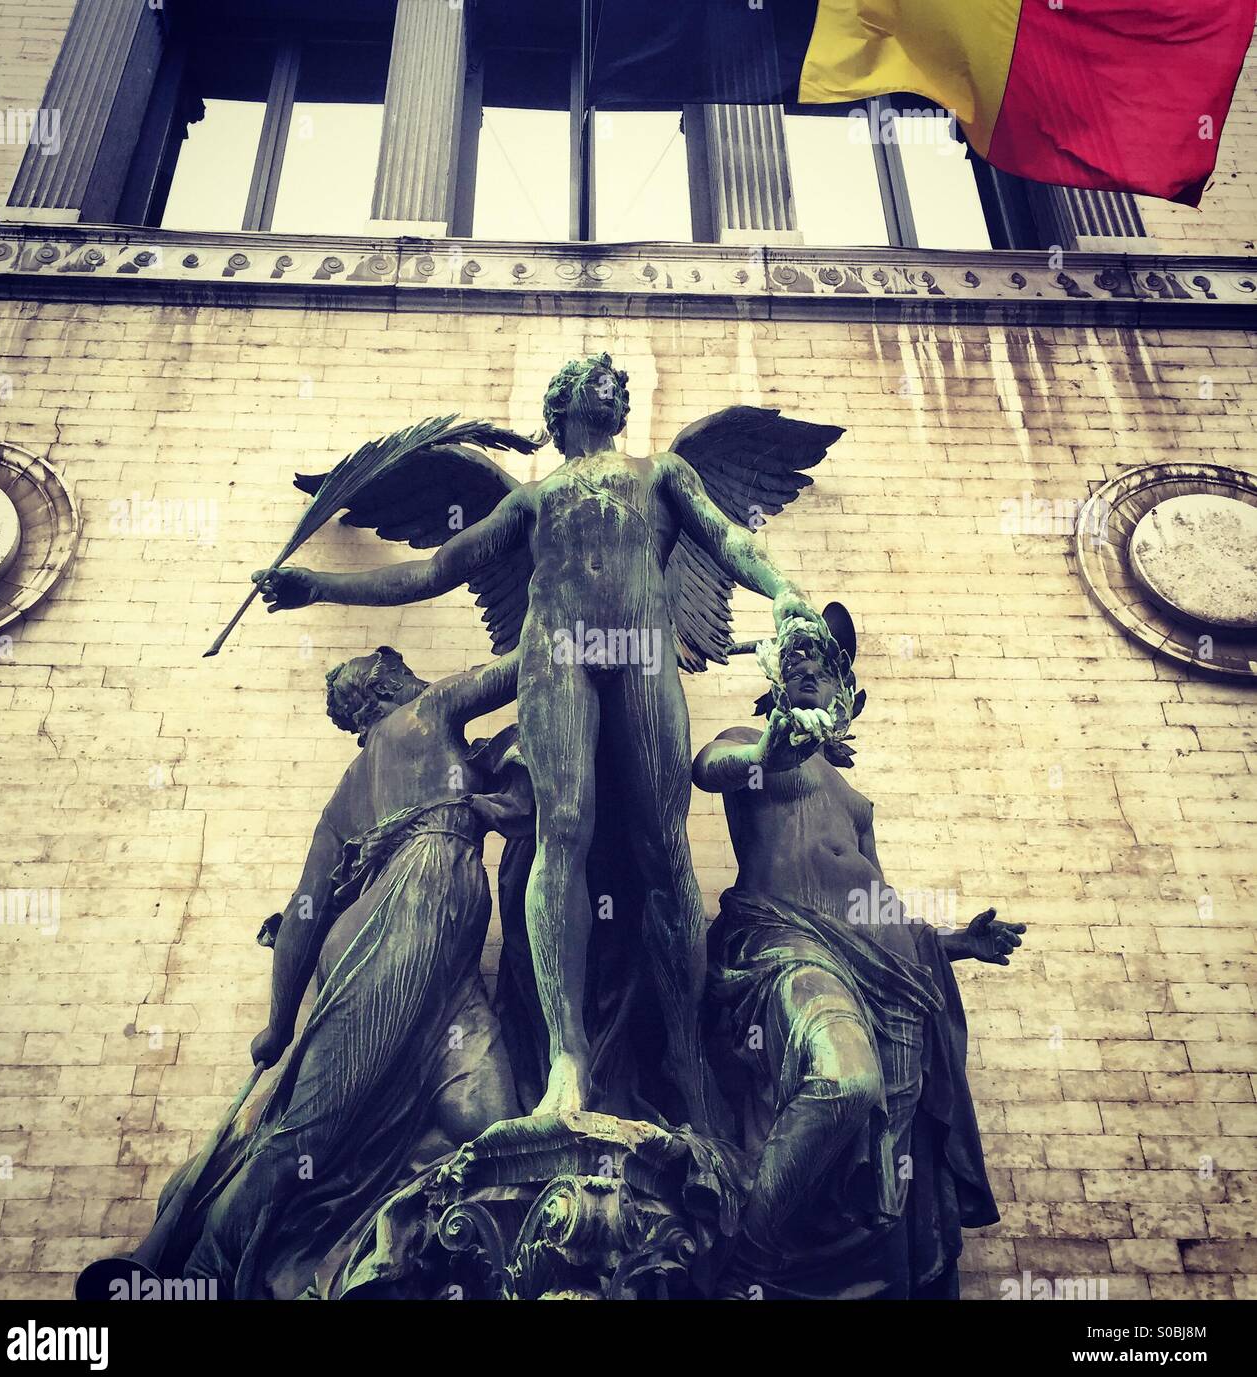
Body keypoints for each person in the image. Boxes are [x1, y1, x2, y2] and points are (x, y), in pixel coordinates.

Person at [250, 354, 823, 1132]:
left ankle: (686, 1055)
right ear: (560, 414)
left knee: (665, 850)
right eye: (591, 382)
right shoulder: (533, 501)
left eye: (614, 383)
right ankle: (567, 1059)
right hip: (557, 657)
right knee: (563, 836)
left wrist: (787, 592)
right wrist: (322, 587)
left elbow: (731, 541)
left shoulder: (664, 475)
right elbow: (435, 570)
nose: (608, 387)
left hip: (641, 653)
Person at [149, 647, 526, 1298]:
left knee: (491, 1127)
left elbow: (302, 914)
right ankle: (202, 1271)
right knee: (312, 1128)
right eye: (408, 672)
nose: (425, 678)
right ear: (384, 690)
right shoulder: (423, 714)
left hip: (444, 965)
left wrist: (278, 1021)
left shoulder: (348, 796)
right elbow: (523, 663)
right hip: (399, 928)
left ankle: (440, 1261)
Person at [693, 609, 1025, 1298]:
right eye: (794, 661)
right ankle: (742, 1259)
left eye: (821, 662)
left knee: (884, 1175)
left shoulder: (856, 799)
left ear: (846, 691)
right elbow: (708, 769)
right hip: (789, 941)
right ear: (776, 684)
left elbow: (879, 898)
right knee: (846, 1084)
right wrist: (765, 754)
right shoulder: (751, 744)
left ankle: (846, 1273)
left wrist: (955, 942)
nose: (807, 667)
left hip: (889, 973)